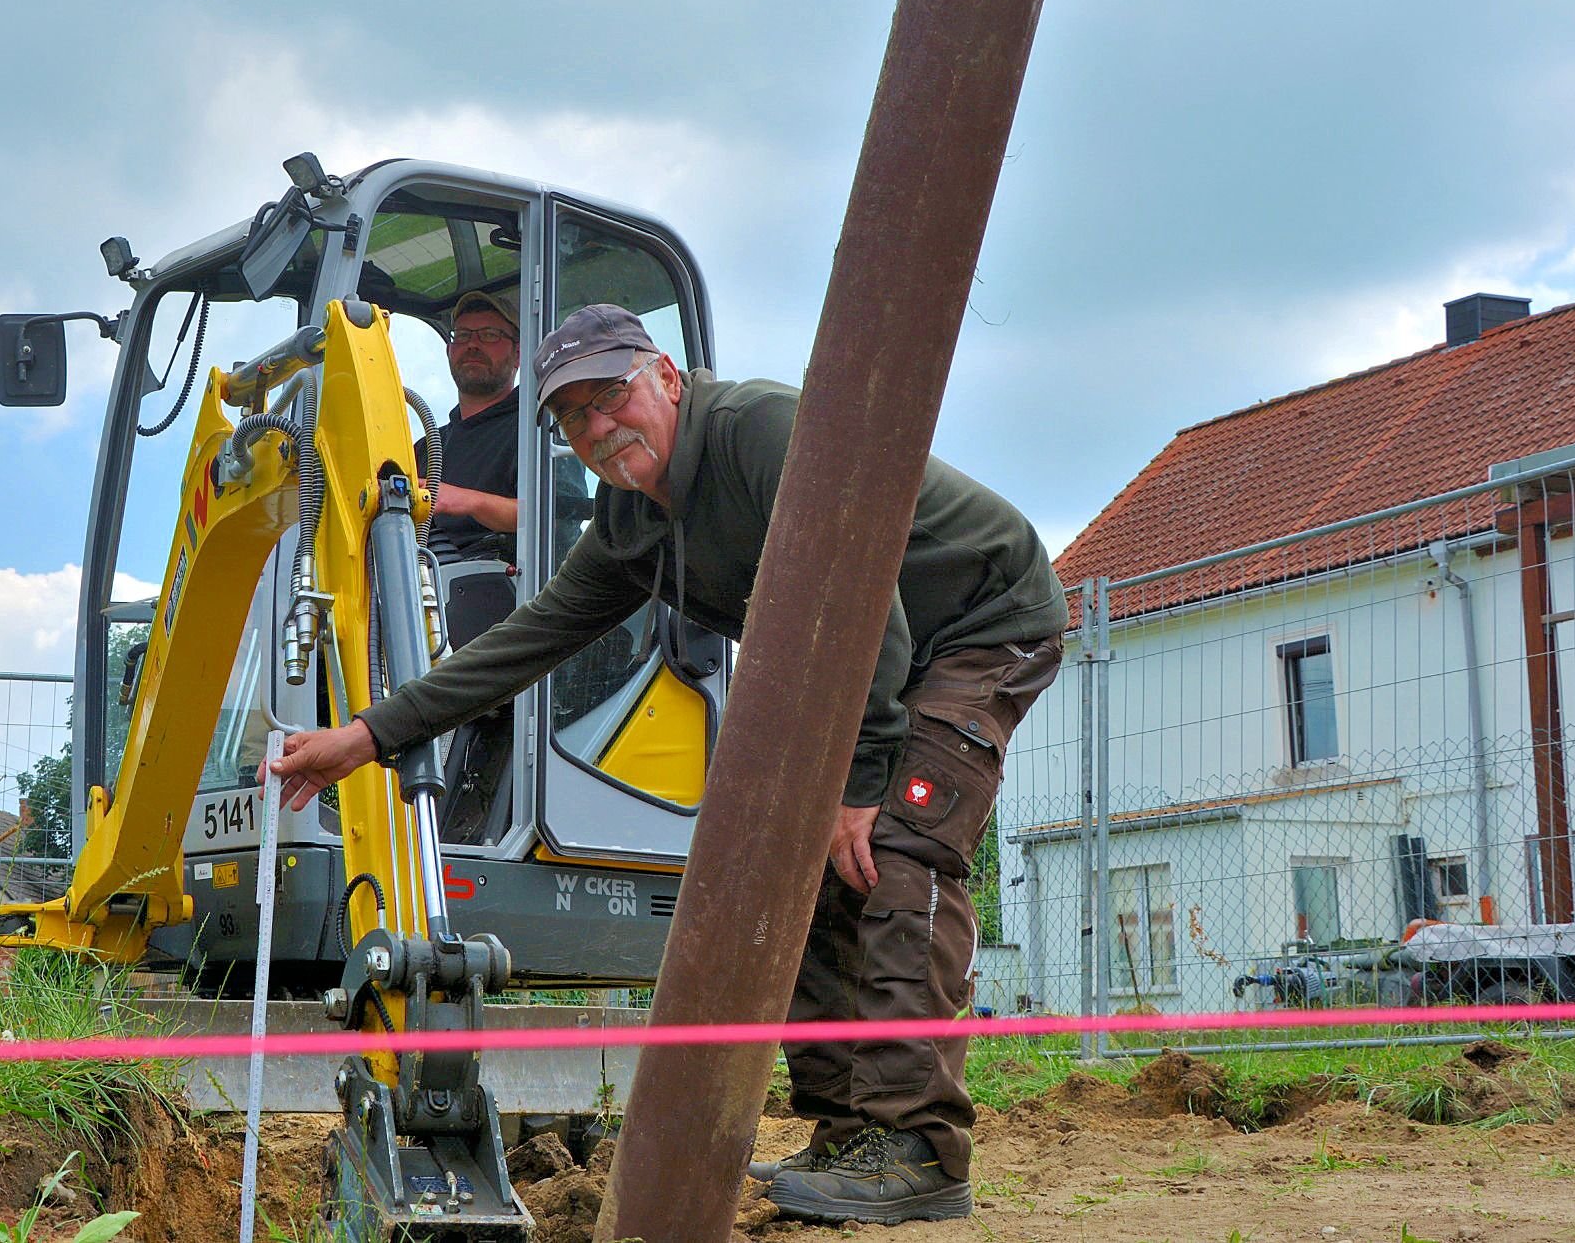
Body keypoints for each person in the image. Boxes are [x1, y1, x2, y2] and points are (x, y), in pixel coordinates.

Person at [267, 303, 1066, 1224]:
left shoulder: (761, 435)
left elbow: (864, 586)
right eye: (573, 419)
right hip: (863, 652)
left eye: (613, 397)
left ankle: (921, 1150)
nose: (598, 428)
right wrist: (365, 736)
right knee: (790, 863)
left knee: (894, 846)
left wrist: (861, 783)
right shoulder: (629, 525)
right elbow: (527, 640)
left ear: (668, 380)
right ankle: (851, 1129)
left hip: (975, 621)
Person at [420, 290, 523, 562]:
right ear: (449, 351)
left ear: (518, 354)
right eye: (463, 336)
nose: (472, 345)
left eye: (489, 335)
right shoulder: (427, 447)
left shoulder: (535, 431)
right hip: (421, 589)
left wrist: (467, 501)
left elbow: (556, 519)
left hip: (507, 591)